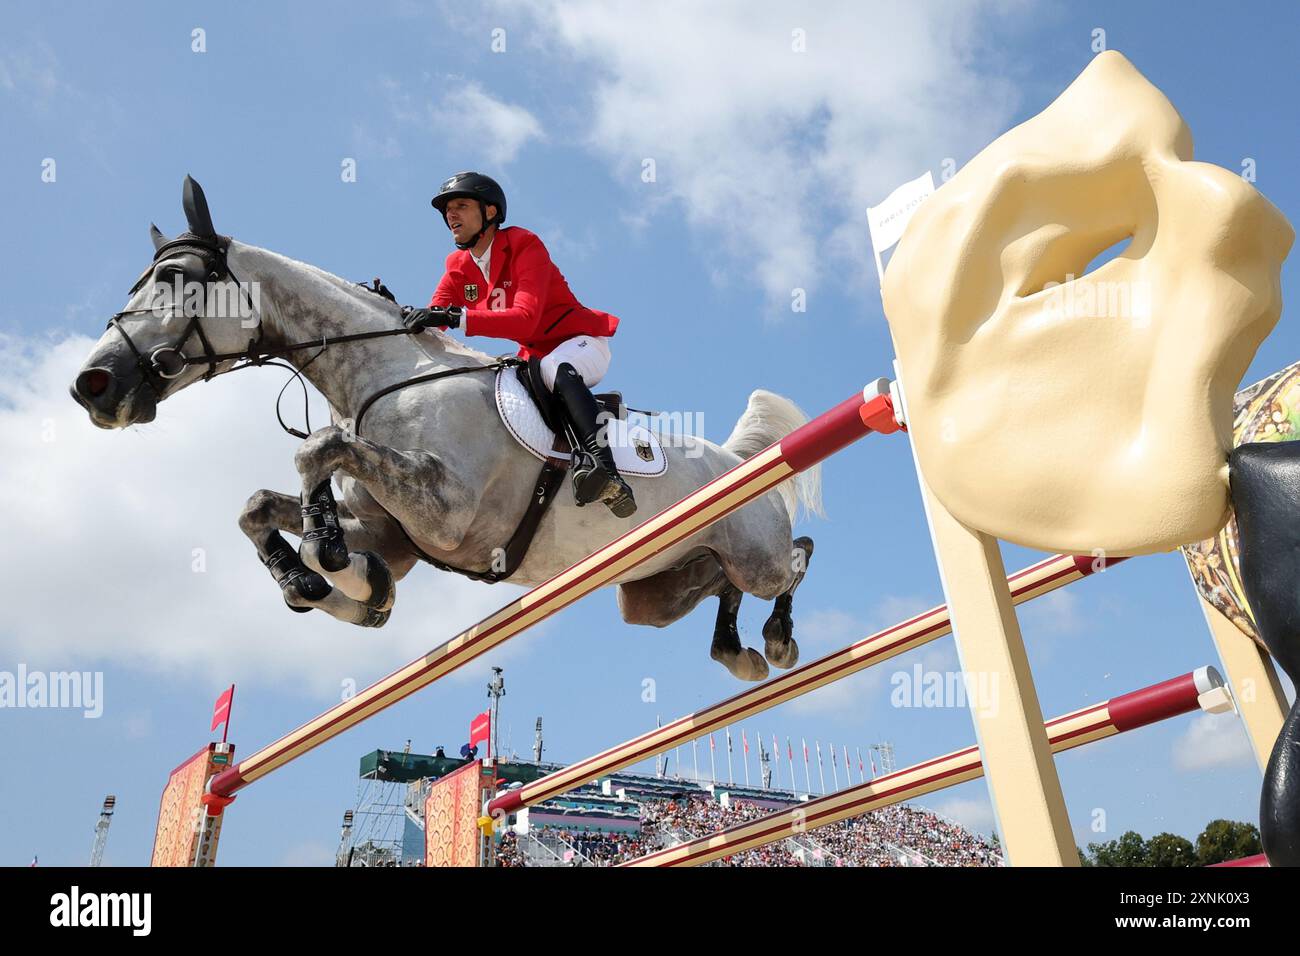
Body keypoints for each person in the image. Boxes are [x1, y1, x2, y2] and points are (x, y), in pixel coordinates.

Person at [402, 171, 636, 518]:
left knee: (554, 367)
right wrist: (398, 317)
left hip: (581, 343)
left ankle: (608, 472)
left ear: (490, 212)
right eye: (448, 209)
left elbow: (524, 318)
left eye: (461, 206)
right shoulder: (457, 265)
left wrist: (457, 318)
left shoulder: (525, 244)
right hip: (534, 360)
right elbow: (436, 317)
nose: (451, 215)